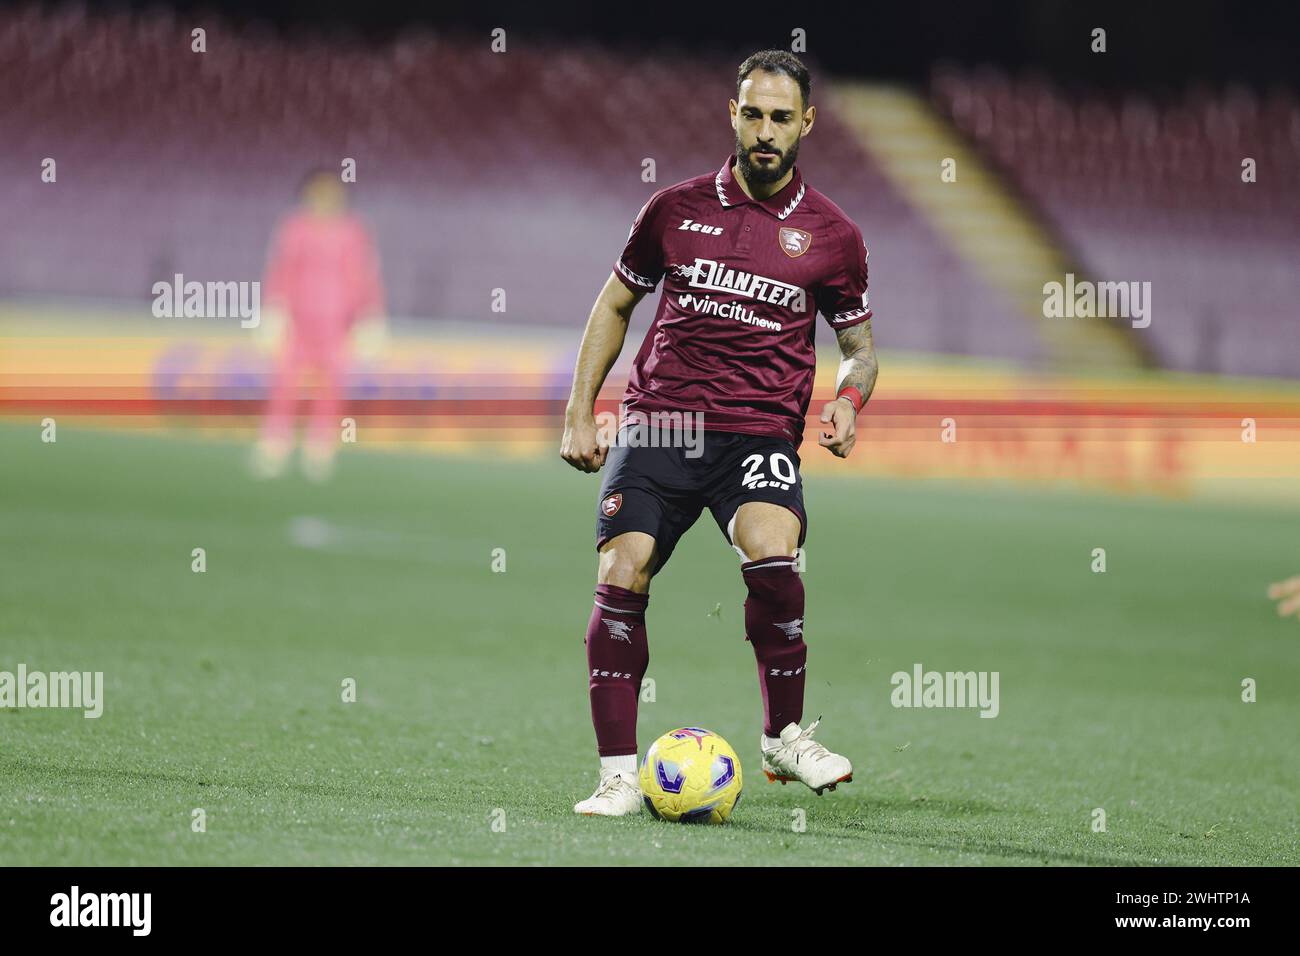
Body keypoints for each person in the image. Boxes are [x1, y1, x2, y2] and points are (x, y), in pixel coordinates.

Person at [560, 51, 879, 815]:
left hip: (760, 431)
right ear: (731, 114)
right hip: (662, 424)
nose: (764, 131)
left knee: (774, 551)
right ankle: (616, 775)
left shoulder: (834, 236)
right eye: (752, 114)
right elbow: (614, 305)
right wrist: (581, 406)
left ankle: (783, 737)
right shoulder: (672, 209)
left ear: (806, 123)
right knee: (621, 570)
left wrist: (846, 401)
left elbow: (861, 350)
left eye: (780, 117)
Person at [252, 169, 385, 482]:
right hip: (299, 320)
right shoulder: (294, 228)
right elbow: (281, 270)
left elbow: (365, 276)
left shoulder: (354, 232)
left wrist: (370, 317)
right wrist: (273, 310)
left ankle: (319, 447)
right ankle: (276, 443)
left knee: (333, 384)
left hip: (337, 322)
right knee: (285, 381)